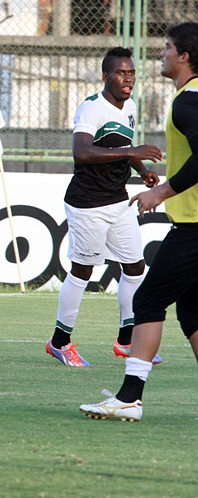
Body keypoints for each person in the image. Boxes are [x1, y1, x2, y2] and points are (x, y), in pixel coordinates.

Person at [80, 22, 198, 421]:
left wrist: (161, 192)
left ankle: (129, 397)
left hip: (196, 226)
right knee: (193, 312)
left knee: (147, 300)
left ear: (184, 56)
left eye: (166, 48)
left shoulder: (188, 101)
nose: (161, 54)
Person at [45, 47, 163, 367]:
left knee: (135, 267)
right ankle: (59, 342)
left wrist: (142, 170)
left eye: (131, 73)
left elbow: (123, 146)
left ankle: (126, 341)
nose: (128, 79)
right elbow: (82, 152)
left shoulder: (130, 106)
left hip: (119, 199)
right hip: (88, 203)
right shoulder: (91, 109)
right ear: (105, 76)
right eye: (121, 73)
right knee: (83, 272)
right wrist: (134, 151)